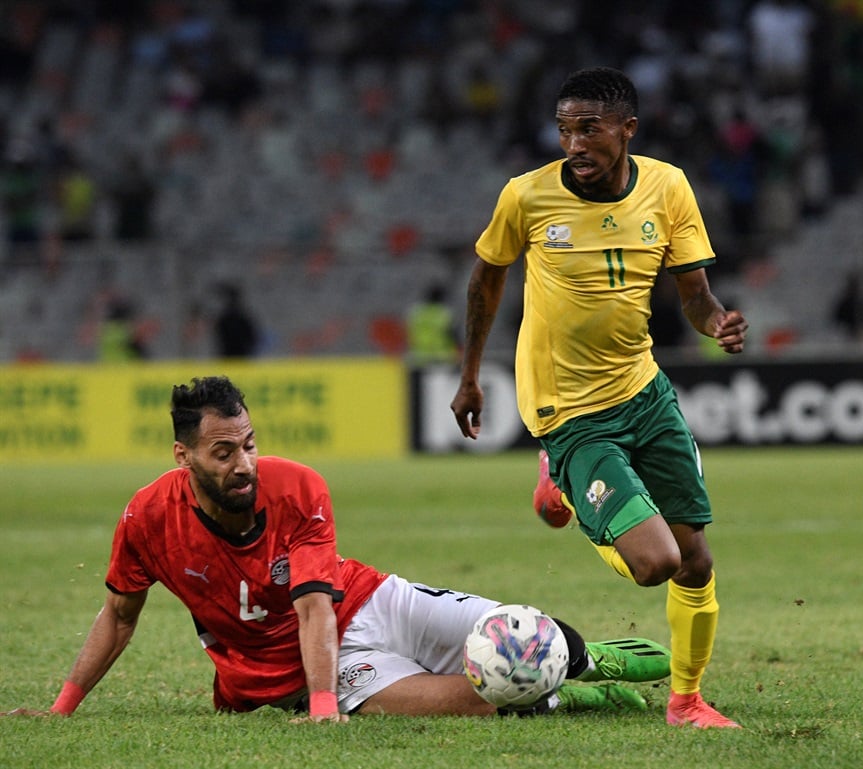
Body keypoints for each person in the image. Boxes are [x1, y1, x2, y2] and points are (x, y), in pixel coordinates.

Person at [2, 376, 670, 723]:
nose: (244, 463)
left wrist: (322, 719)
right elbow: (119, 614)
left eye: (250, 443)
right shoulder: (147, 517)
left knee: (518, 632)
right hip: (316, 670)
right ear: (184, 457)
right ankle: (569, 699)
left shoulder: (297, 488)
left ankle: (591, 657)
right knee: (477, 698)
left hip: (373, 601)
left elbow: (317, 604)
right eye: (223, 451)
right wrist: (63, 707)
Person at [450, 67, 749, 729]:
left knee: (695, 558)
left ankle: (686, 701)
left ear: (627, 130)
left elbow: (696, 297)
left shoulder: (668, 187)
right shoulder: (526, 198)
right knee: (656, 563)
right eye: (564, 129)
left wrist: (718, 323)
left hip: (644, 392)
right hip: (571, 410)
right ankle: (559, 474)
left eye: (589, 128)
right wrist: (470, 375)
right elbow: (485, 284)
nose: (573, 143)